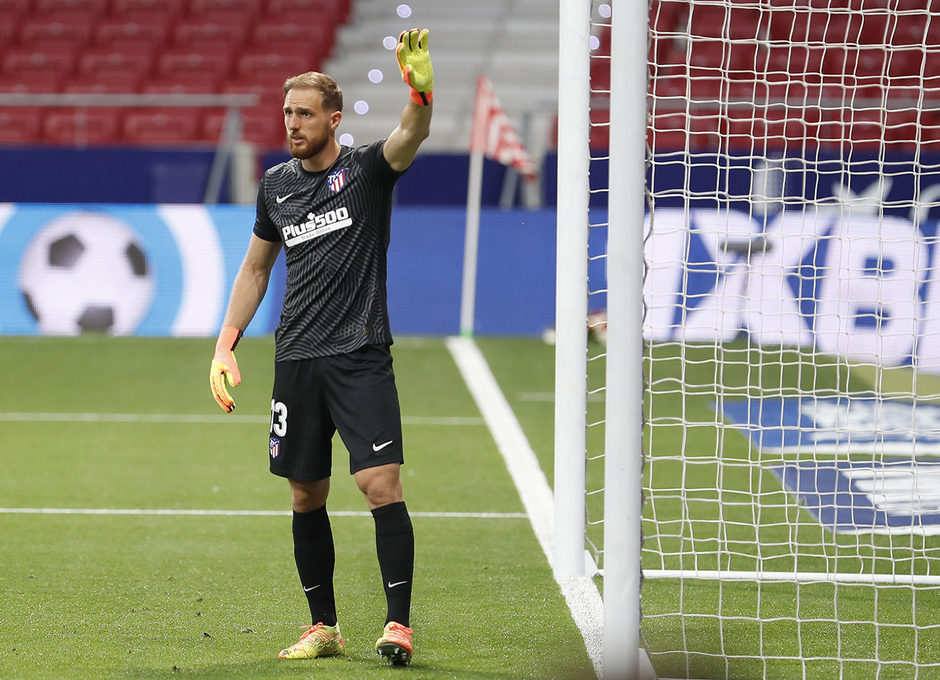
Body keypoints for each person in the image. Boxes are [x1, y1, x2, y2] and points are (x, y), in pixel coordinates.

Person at [208, 28, 433, 667]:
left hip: (360, 353)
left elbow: (412, 132)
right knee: (305, 495)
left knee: (379, 482)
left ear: (333, 120)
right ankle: (322, 625)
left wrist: (419, 88)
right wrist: (226, 345)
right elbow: (255, 270)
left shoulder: (365, 172)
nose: (292, 123)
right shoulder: (276, 185)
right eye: (286, 113)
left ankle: (398, 625)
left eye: (304, 113)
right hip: (297, 359)